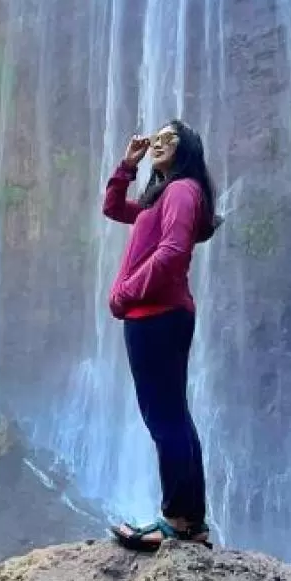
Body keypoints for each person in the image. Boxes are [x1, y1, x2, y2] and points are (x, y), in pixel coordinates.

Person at [103, 121, 218, 551]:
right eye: (157, 135)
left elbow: (172, 252)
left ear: (187, 149)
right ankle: (191, 522)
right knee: (174, 417)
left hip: (156, 315)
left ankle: (174, 520)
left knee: (164, 419)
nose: (159, 142)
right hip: (159, 314)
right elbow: (114, 208)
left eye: (171, 137)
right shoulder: (164, 196)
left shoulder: (183, 190)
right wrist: (127, 165)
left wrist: (124, 294)